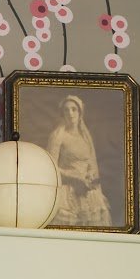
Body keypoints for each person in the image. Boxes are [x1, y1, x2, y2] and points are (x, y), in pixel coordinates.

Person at [46, 93, 113, 228]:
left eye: (74, 109)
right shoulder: (58, 136)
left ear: (80, 112)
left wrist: (90, 175)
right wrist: (74, 178)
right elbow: (50, 167)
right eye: (66, 110)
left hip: (88, 192)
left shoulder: (85, 138)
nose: (70, 113)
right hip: (67, 192)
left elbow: (90, 164)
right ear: (62, 113)